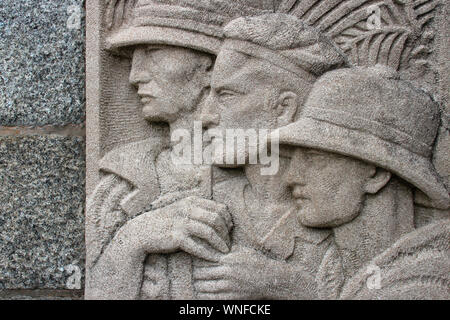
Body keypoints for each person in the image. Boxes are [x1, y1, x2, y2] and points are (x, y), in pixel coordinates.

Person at [86, 0, 271, 300]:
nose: (134, 75)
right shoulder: (119, 188)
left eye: (155, 52)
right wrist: (134, 238)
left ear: (210, 67)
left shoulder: (274, 176)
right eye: (134, 56)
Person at [194, 13, 347, 299]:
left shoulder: (342, 216)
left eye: (226, 96)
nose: (206, 116)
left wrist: (284, 285)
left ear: (283, 109)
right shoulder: (197, 206)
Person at [276, 66, 449, 299]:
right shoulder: (333, 272)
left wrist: (293, 289)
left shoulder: (425, 286)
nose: (291, 177)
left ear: (376, 174)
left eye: (315, 158)